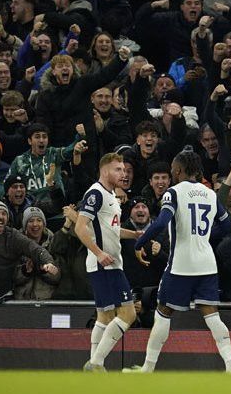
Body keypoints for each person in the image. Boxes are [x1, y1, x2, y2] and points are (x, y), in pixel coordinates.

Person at [132, 149, 231, 372]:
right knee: (212, 316)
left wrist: (139, 244)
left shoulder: (173, 192)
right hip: (207, 263)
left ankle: (148, 368)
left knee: (163, 312)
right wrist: (206, 235)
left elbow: (160, 224)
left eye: (172, 170)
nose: (171, 173)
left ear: (178, 170)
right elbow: (227, 225)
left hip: (181, 264)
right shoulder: (209, 193)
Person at [76, 153, 140, 372]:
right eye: (118, 170)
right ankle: (96, 363)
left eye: (123, 169)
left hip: (109, 263)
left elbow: (110, 229)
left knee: (105, 315)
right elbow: (80, 227)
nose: (123, 174)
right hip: (105, 264)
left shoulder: (110, 195)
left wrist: (134, 234)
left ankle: (93, 364)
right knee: (128, 314)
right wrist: (99, 252)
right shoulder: (95, 193)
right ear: (105, 171)